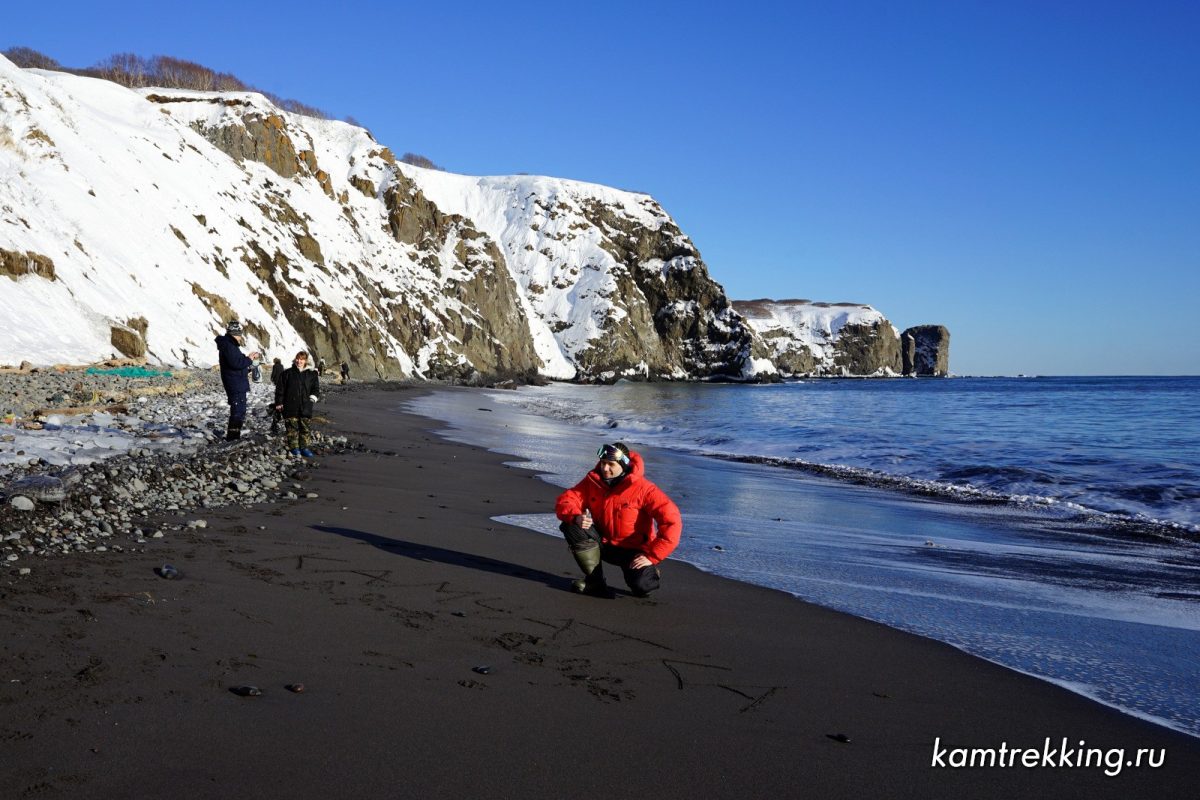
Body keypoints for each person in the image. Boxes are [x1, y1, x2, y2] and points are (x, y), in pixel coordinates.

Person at [554, 442, 682, 598]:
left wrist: (652, 556)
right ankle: (595, 582)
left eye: (610, 464)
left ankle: (650, 571)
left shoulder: (645, 489)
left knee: (642, 587)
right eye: (603, 463)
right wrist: (576, 516)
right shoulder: (593, 481)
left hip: (635, 552)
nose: (605, 468)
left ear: (623, 465)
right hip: (604, 543)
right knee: (571, 526)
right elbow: (567, 500)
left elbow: (672, 520)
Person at [215, 320, 260, 441]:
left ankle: (234, 437)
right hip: (235, 384)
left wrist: (248, 368)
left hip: (236, 382)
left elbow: (236, 366)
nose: (240, 338)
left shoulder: (229, 345)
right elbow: (236, 363)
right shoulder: (229, 346)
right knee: (237, 411)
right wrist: (249, 359)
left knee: (239, 410)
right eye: (240, 335)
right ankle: (232, 438)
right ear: (236, 334)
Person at [274, 350, 320, 458]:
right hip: (290, 405)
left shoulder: (312, 374)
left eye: (302, 359)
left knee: (305, 428)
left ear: (305, 361)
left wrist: (312, 398)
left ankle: (305, 448)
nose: (299, 361)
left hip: (306, 406)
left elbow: (316, 389)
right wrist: (279, 403)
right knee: (291, 428)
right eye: (298, 359)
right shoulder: (287, 373)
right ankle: (294, 447)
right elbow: (280, 390)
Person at [268, 358, 285, 434]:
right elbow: (283, 372)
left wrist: (272, 377)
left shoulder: (275, 366)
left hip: (276, 379)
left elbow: (274, 372)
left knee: (278, 391)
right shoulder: (281, 365)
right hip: (281, 379)